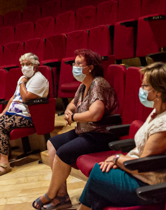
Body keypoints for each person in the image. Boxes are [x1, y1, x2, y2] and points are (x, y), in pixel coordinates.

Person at [74, 62, 166, 210]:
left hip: (148, 185)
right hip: (136, 172)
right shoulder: (157, 112)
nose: (141, 89)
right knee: (99, 184)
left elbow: (143, 165)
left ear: (159, 91)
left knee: (98, 175)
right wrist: (119, 162)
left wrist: (117, 159)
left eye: (145, 86)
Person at [34, 50, 118, 210]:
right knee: (52, 143)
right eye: (74, 63)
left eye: (79, 64)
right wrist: (68, 110)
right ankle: (62, 195)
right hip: (85, 131)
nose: (74, 67)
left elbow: (95, 114)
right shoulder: (83, 86)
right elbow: (73, 103)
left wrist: (73, 118)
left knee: (63, 152)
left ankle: (50, 194)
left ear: (91, 67)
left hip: (100, 134)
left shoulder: (98, 84)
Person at [0, 53, 49, 177]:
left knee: (1, 126)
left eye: (28, 64)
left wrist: (22, 83)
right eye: (22, 64)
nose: (24, 67)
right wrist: (2, 113)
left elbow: (25, 98)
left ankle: (4, 163)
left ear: (35, 66)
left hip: (29, 116)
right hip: (13, 115)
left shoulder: (38, 79)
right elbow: (13, 98)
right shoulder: (21, 78)